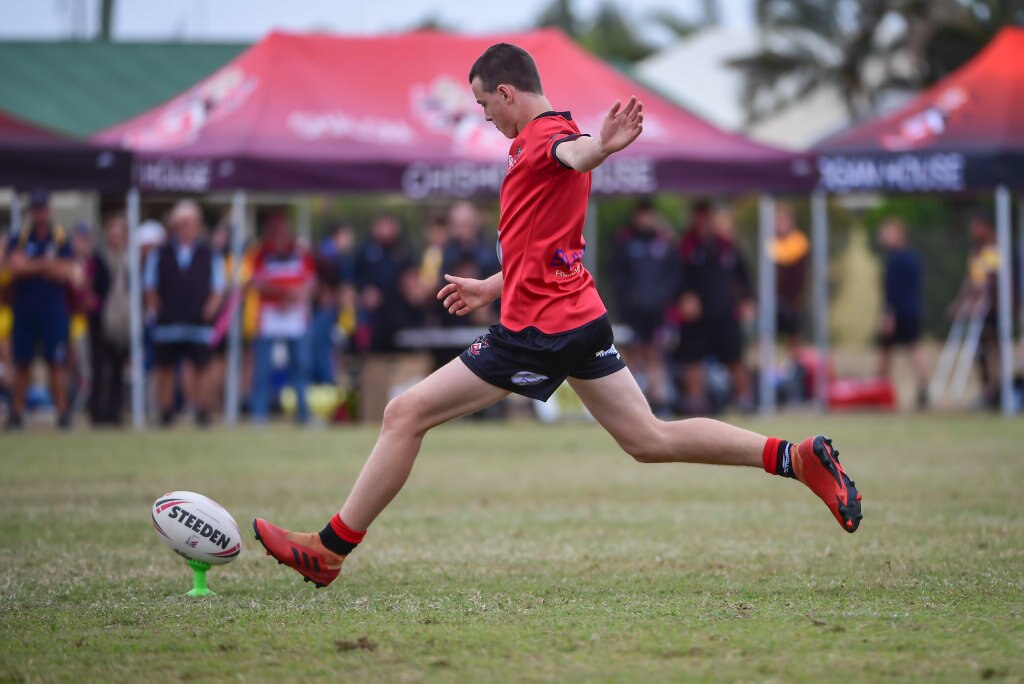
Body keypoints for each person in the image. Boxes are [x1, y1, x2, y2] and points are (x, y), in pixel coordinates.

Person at [253, 43, 862, 589]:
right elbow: (546, 237)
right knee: (649, 439)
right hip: (575, 316)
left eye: (483, 102)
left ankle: (329, 550)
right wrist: (494, 285)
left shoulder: (548, 138)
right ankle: (795, 456)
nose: (483, 114)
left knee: (403, 413)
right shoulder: (540, 136)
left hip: (536, 333)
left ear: (507, 92)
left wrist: (604, 145)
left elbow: (577, 154)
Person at [144, 200, 225, 427]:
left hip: (197, 319)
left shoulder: (209, 253)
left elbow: (218, 287)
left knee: (202, 365)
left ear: (197, 225)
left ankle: (201, 408)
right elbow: (150, 285)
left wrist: (209, 310)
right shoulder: (161, 254)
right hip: (169, 319)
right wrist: (156, 307)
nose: (185, 229)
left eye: (189, 224)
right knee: (165, 366)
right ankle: (166, 410)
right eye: (181, 224)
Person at [5, 189, 78, 430]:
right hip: (25, 309)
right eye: (36, 209)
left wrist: (33, 265)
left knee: (56, 362)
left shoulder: (60, 237)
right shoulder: (20, 238)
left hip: (53, 310)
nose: (40, 214)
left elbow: (67, 271)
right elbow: (15, 268)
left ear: (49, 210)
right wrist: (48, 265)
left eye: (43, 209)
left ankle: (62, 412)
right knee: (22, 362)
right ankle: (16, 412)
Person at [674, 200, 754, 414]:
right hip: (696, 318)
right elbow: (675, 277)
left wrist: (747, 300)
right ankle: (696, 403)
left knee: (735, 358)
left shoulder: (726, 246)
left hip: (725, 313)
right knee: (692, 360)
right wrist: (683, 297)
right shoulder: (686, 246)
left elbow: (744, 276)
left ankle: (744, 400)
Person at [248, 209, 316, 424]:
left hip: (295, 317)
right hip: (269, 317)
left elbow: (311, 282)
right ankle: (259, 413)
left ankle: (303, 413)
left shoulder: (299, 252)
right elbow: (256, 281)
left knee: (300, 366)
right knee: (263, 367)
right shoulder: (261, 253)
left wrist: (295, 296)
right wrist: (284, 293)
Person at [610, 199, 678, 413]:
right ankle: (631, 402)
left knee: (654, 352)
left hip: (657, 309)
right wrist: (628, 297)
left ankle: (658, 399)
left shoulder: (663, 241)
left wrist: (664, 295)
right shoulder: (625, 240)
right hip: (632, 309)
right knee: (633, 352)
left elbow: (674, 271)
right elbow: (616, 273)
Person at [876, 218, 929, 410]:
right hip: (913, 309)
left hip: (899, 312)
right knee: (911, 347)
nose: (883, 237)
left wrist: (889, 315)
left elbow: (893, 291)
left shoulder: (895, 260)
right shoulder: (913, 258)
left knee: (887, 351)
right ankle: (923, 386)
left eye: (887, 232)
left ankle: (879, 390)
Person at [950, 212, 1001, 408]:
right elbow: (972, 280)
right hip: (979, 310)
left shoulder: (995, 248)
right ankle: (988, 392)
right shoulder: (976, 251)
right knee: (980, 351)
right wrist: (961, 302)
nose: (972, 231)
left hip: (993, 309)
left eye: (976, 226)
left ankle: (999, 391)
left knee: (995, 349)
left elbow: (991, 280)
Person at [87, 212, 132, 425]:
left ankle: (115, 412)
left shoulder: (128, 260)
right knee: (99, 366)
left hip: (122, 322)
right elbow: (88, 286)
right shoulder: (97, 258)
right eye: (112, 232)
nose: (116, 236)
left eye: (119, 232)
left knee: (117, 368)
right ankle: (96, 411)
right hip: (100, 320)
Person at [773, 203, 809, 354]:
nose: (779, 225)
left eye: (783, 221)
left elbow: (788, 259)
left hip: (791, 300)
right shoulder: (775, 242)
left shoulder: (798, 241)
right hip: (776, 299)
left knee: (793, 336)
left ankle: (798, 368)